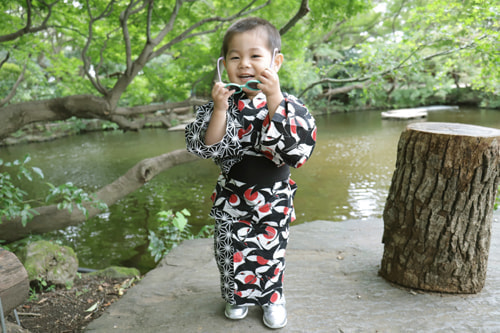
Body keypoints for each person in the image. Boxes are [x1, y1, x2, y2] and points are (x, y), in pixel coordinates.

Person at [185, 17, 316, 329]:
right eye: (235, 57)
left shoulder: (290, 104)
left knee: (270, 251)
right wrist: (218, 110)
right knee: (229, 248)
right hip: (233, 193)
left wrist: (274, 99)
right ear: (223, 63)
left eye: (255, 56)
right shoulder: (221, 103)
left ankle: (272, 298)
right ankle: (236, 296)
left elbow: (297, 150)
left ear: (276, 61)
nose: (244, 64)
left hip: (273, 196)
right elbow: (207, 148)